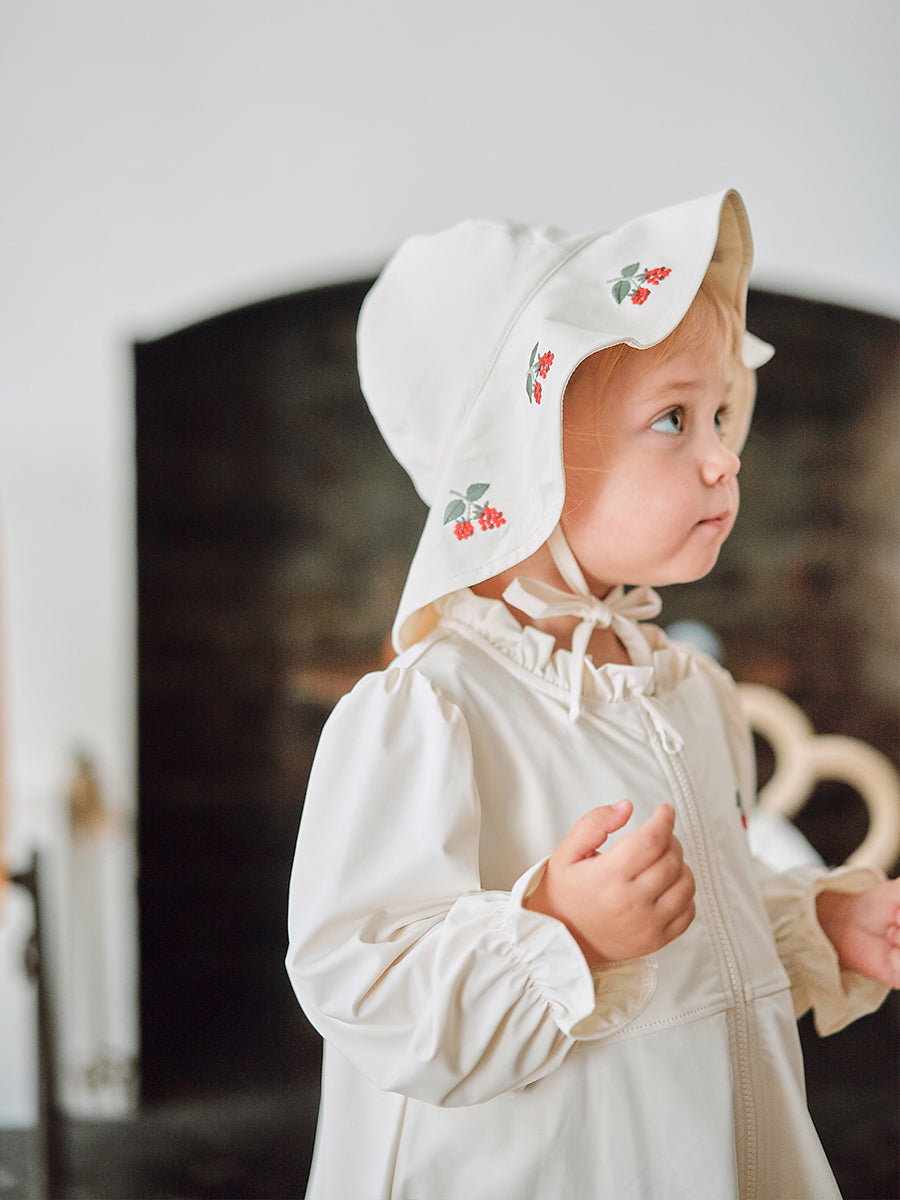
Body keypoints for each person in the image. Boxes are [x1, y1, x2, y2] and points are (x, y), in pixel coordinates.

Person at [286, 190, 899, 1199]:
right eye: (673, 418)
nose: (724, 456)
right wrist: (560, 930)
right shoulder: (428, 711)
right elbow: (363, 981)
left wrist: (816, 925)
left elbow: (703, 921)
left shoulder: (689, 688)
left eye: (719, 415)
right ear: (519, 459)